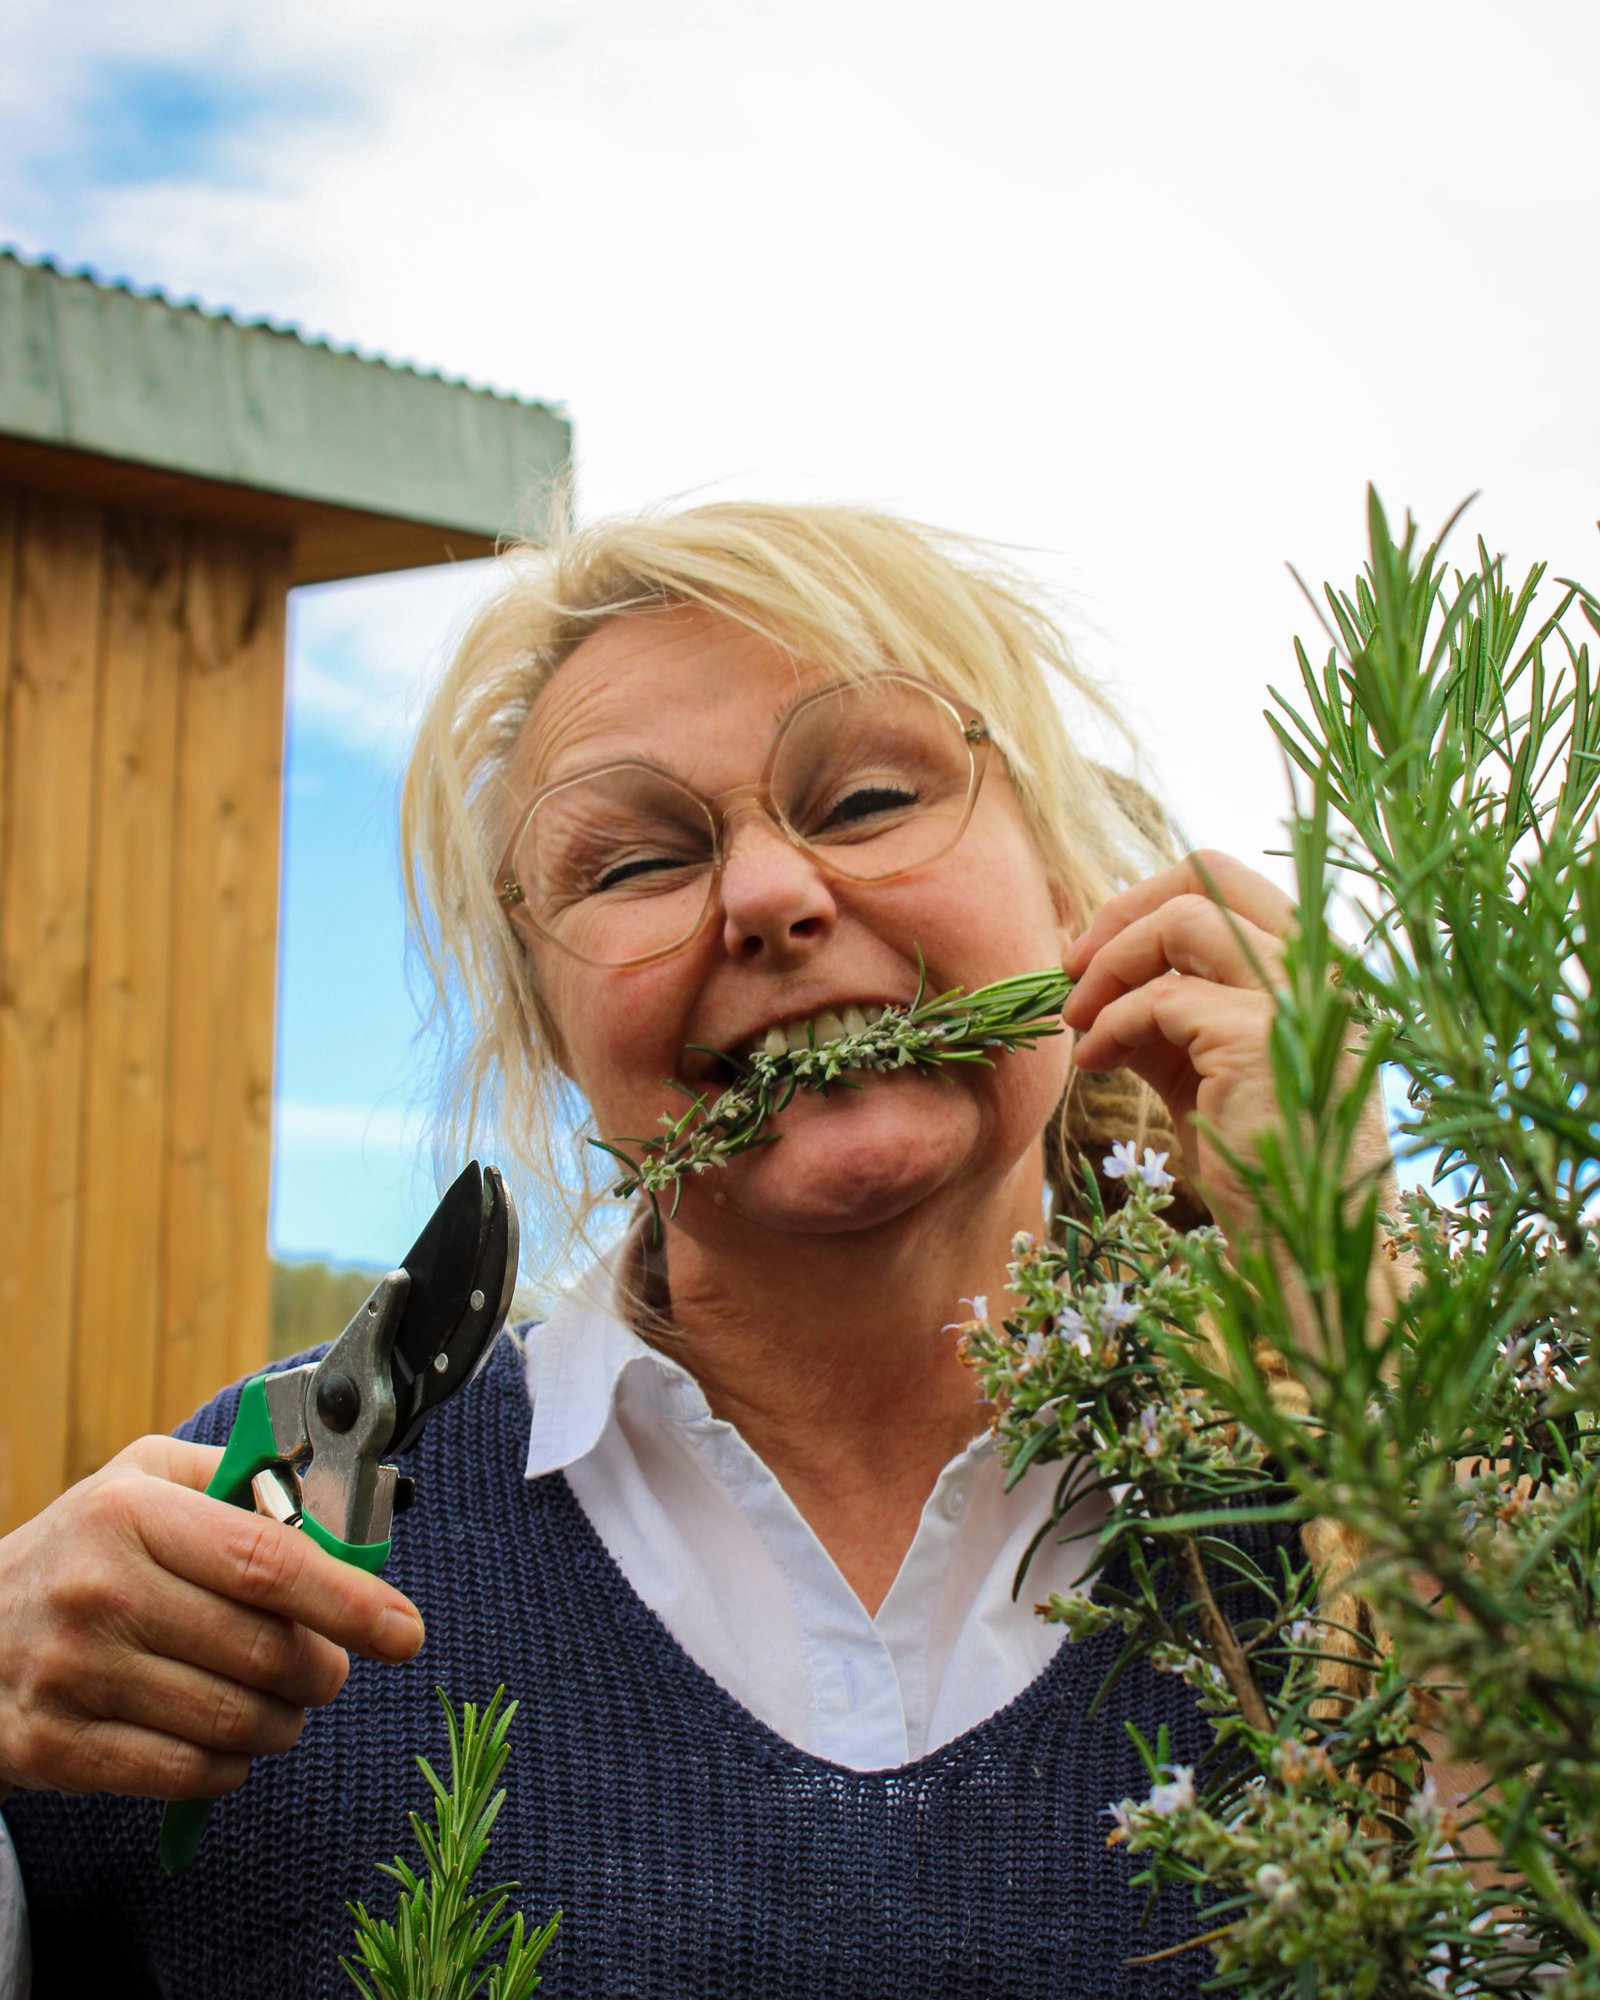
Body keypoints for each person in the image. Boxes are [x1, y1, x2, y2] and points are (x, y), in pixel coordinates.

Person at [0, 503, 1325, 1998]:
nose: (768, 897)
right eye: (633, 866)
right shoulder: (241, 1540)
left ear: (1073, 891)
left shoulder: (1374, 1478)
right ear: (549, 1026)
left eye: (873, 796)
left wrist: (1364, 1312)